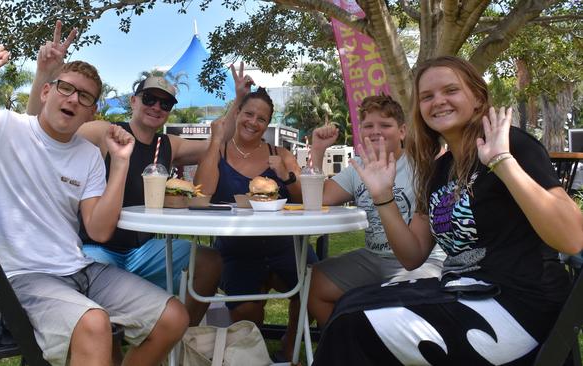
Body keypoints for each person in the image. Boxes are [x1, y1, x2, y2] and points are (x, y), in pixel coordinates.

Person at [312, 55, 583, 365]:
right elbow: (412, 256)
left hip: (519, 307)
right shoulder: (438, 170)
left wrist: (502, 162)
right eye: (427, 96)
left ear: (478, 98)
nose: (438, 101)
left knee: (354, 326)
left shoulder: (512, 145)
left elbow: (573, 238)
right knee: (350, 303)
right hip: (462, 291)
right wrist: (383, 196)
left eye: (450, 90)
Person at [0, 39, 188, 365]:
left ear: (92, 111)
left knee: (174, 317)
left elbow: (98, 231)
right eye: (66, 88)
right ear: (45, 92)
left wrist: (121, 162)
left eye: (84, 97)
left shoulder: (88, 155)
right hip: (24, 276)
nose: (72, 99)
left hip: (78, 268)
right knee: (94, 323)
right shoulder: (0, 128)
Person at [26, 21, 253, 326]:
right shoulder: (106, 132)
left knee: (210, 262)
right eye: (149, 98)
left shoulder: (168, 144)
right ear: (134, 101)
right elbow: (40, 128)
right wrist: (48, 74)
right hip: (96, 249)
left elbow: (218, 139)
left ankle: (179, 338)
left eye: (165, 103)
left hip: (144, 250)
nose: (157, 106)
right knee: (96, 301)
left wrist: (238, 101)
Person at [194, 87, 318, 362]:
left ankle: (290, 347)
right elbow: (202, 192)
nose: (253, 122)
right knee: (247, 310)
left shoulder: (280, 154)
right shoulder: (220, 150)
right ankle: (255, 352)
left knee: (313, 285)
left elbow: (304, 199)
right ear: (237, 114)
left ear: (267, 123)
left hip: (285, 245)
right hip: (236, 248)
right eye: (248, 114)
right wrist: (215, 141)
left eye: (261, 118)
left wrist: (286, 176)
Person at [307, 95, 445, 328]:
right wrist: (318, 151)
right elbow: (319, 198)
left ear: (402, 131)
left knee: (399, 309)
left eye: (385, 125)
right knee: (313, 283)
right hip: (373, 258)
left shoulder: (422, 166)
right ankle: (348, 349)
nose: (375, 131)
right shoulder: (357, 168)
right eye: (368, 125)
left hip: (424, 261)